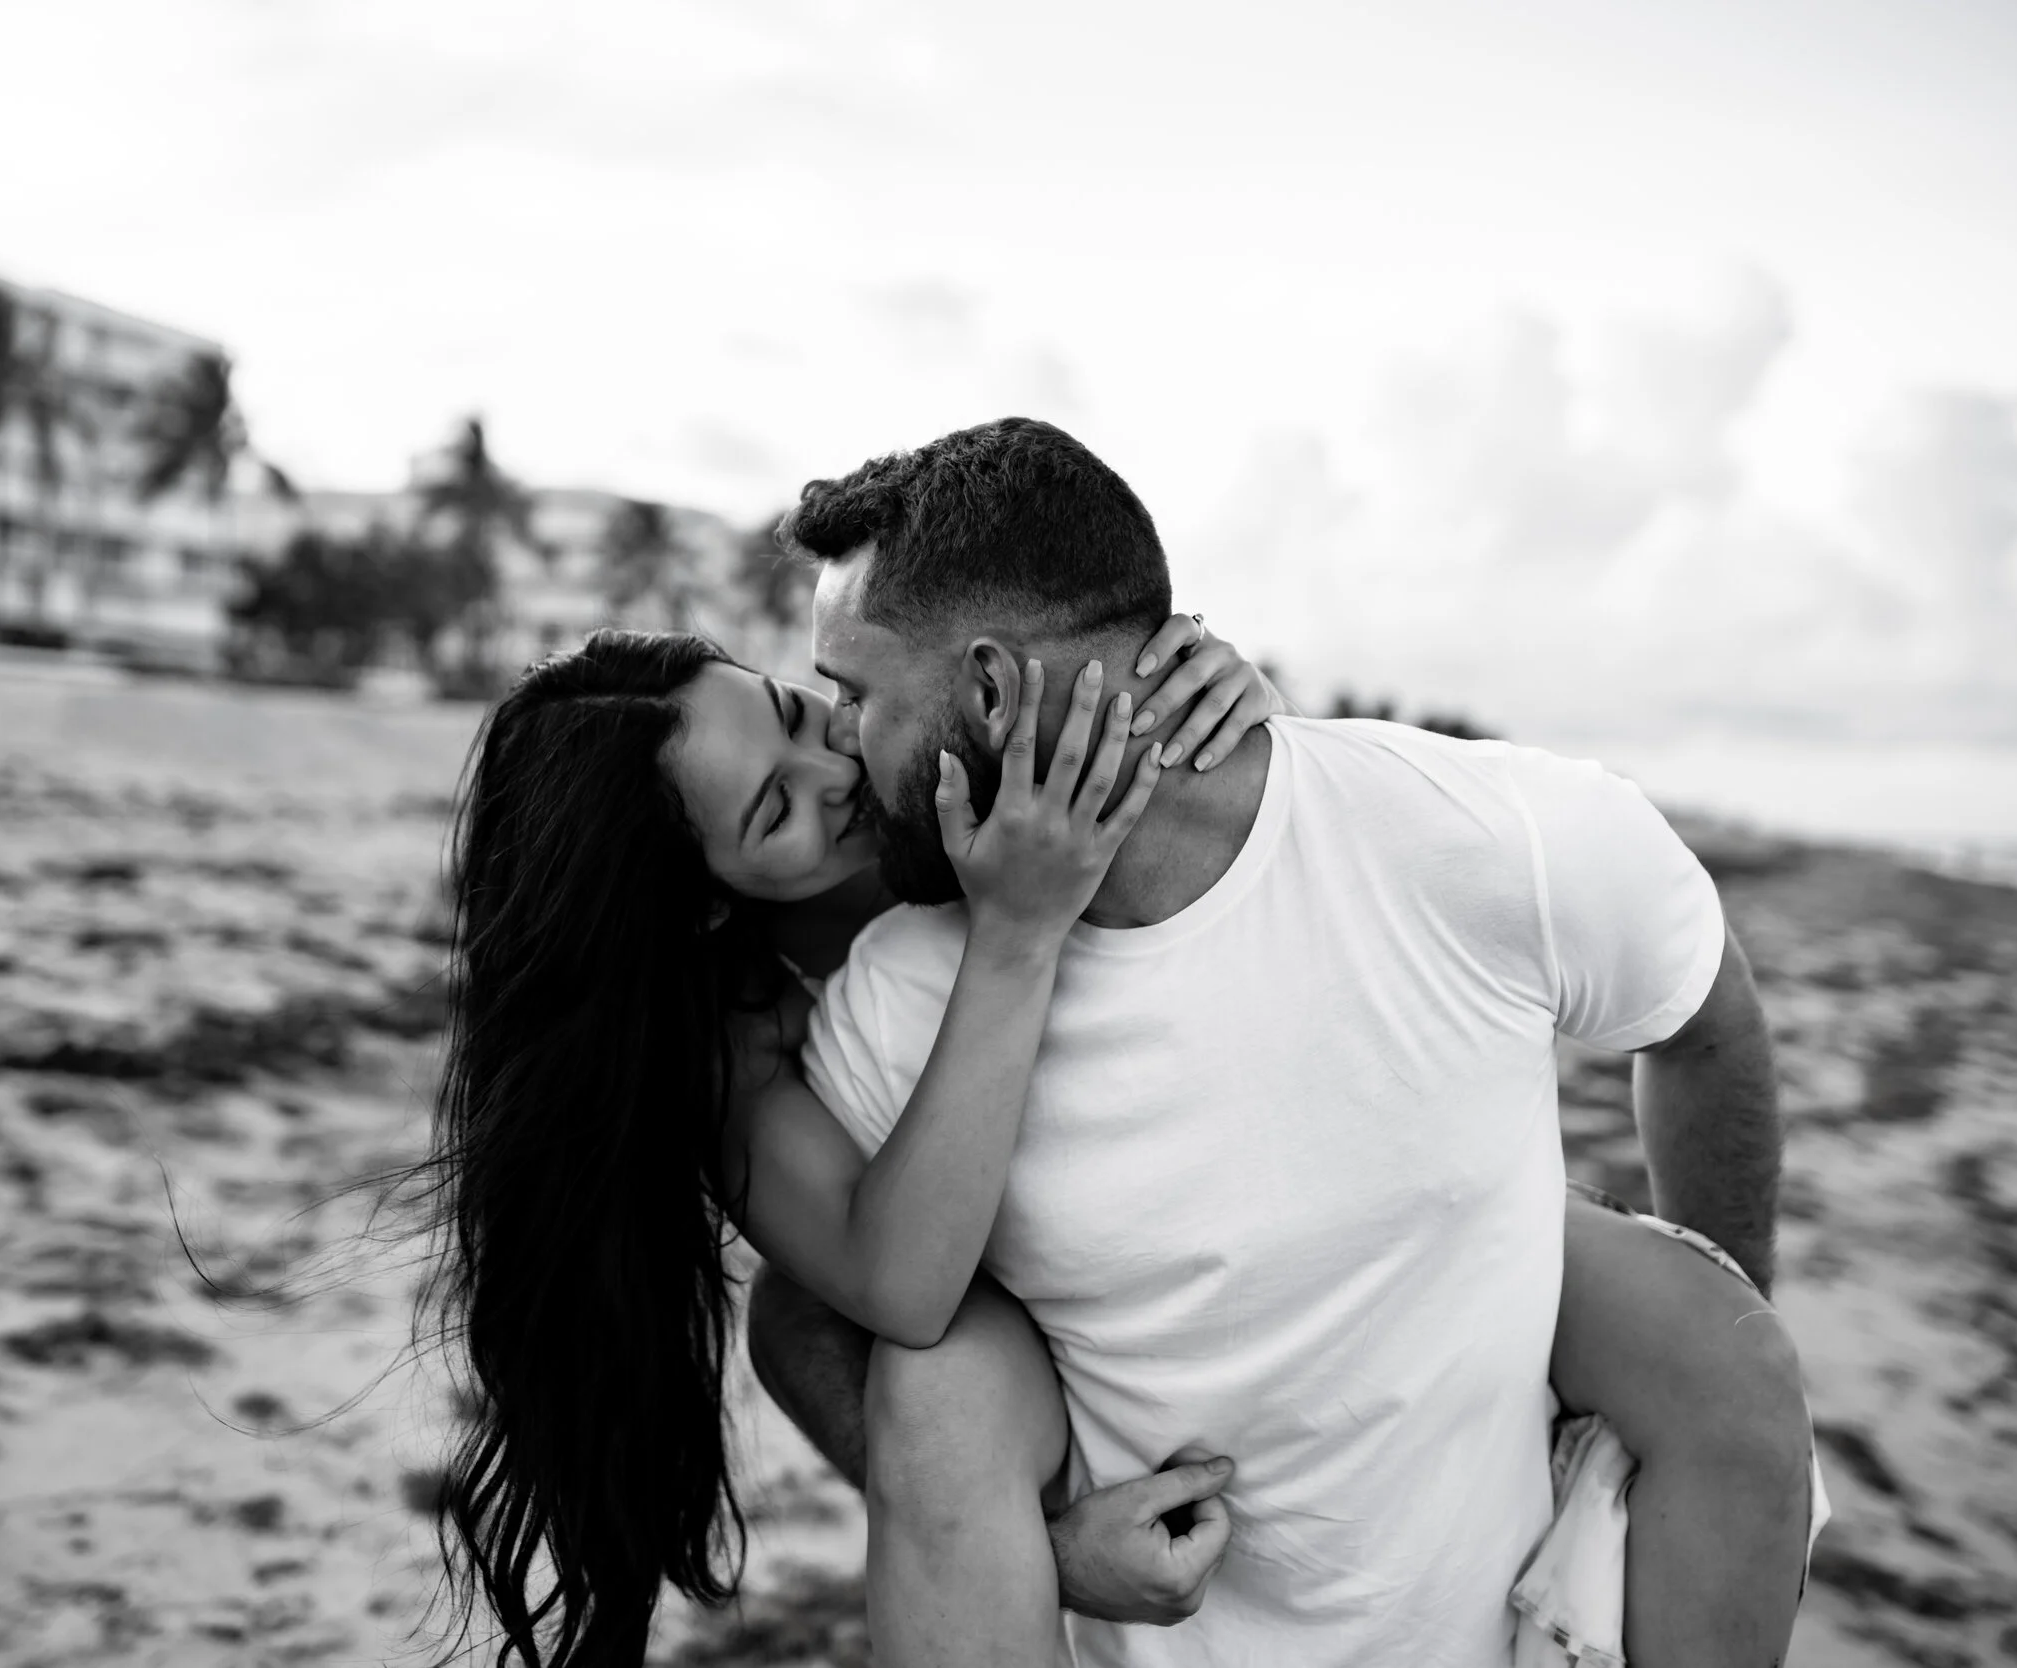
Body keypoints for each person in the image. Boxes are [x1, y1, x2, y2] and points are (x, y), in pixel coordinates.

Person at [418, 471, 1817, 1668]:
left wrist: (1167, 702)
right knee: (944, 1371)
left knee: (1699, 1328)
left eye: (804, 707)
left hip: (1263, 1255)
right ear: (711, 903)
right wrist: (1034, 1547)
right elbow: (856, 1299)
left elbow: (1098, 750)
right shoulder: (757, 1040)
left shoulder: (925, 814)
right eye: (776, 806)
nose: (837, 761)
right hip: (993, 1299)